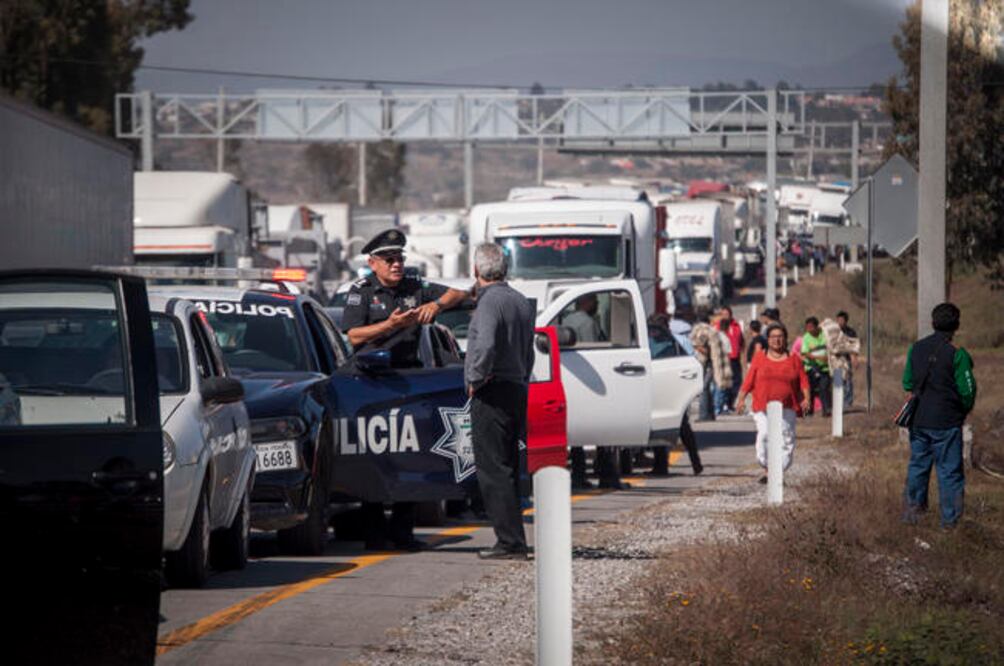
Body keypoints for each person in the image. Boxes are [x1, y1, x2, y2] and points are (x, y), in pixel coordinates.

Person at [341, 228, 470, 551]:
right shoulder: (360, 291)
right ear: (373, 263)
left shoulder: (415, 287)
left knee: (412, 457)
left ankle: (402, 531)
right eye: (389, 259)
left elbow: (460, 293)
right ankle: (374, 533)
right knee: (375, 457)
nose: (396, 264)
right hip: (372, 385)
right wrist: (390, 325)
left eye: (399, 258)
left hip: (410, 384)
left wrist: (436, 306)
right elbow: (353, 336)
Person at [465, 243, 536, 559]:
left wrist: (476, 378)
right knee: (507, 465)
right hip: (516, 386)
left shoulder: (489, 302)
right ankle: (513, 538)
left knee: (493, 468)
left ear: (476, 270)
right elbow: (529, 351)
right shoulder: (519, 301)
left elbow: (488, 343)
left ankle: (509, 542)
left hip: (493, 389)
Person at [901, 303, 977, 529]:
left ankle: (911, 518)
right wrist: (962, 410)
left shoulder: (916, 349)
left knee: (917, 468)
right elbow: (967, 391)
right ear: (957, 325)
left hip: (919, 422)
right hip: (946, 423)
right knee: (949, 473)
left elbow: (907, 382)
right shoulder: (958, 354)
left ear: (933, 323)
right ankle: (950, 524)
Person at [735, 323, 809, 483]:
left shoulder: (794, 359)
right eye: (773, 337)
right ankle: (768, 466)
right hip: (763, 406)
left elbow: (803, 382)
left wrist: (806, 399)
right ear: (768, 340)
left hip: (787, 405)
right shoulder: (759, 357)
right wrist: (741, 399)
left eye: (780, 337)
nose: (777, 340)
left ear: (786, 339)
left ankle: (776, 472)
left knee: (787, 439)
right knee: (765, 435)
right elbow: (749, 380)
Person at [646, 313, 703, 477]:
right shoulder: (659, 341)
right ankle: (673, 464)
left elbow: (691, 362)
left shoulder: (676, 341)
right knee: (668, 425)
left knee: (673, 425)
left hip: (670, 388)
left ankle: (684, 463)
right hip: (664, 387)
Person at [800, 316, 831, 417]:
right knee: (810, 390)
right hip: (811, 368)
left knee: (824, 388)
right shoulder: (806, 337)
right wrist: (818, 357)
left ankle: (826, 410)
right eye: (807, 327)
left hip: (825, 368)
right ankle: (809, 412)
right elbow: (804, 353)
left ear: (817, 326)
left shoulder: (825, 335)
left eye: (811, 327)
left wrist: (826, 358)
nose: (809, 330)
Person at [715, 305, 744, 413]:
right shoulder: (718, 326)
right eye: (723, 314)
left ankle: (730, 403)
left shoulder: (736, 326)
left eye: (727, 314)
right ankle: (723, 404)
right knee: (725, 383)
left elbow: (741, 342)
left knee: (737, 382)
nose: (725, 316)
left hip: (735, 358)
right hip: (724, 358)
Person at [835, 310, 858, 407]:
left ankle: (848, 402)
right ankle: (838, 402)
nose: (840, 321)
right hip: (836, 359)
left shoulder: (851, 332)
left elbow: (854, 347)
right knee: (837, 380)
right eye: (838, 319)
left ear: (846, 321)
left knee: (847, 379)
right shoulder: (834, 331)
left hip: (847, 358)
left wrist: (854, 359)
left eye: (842, 320)